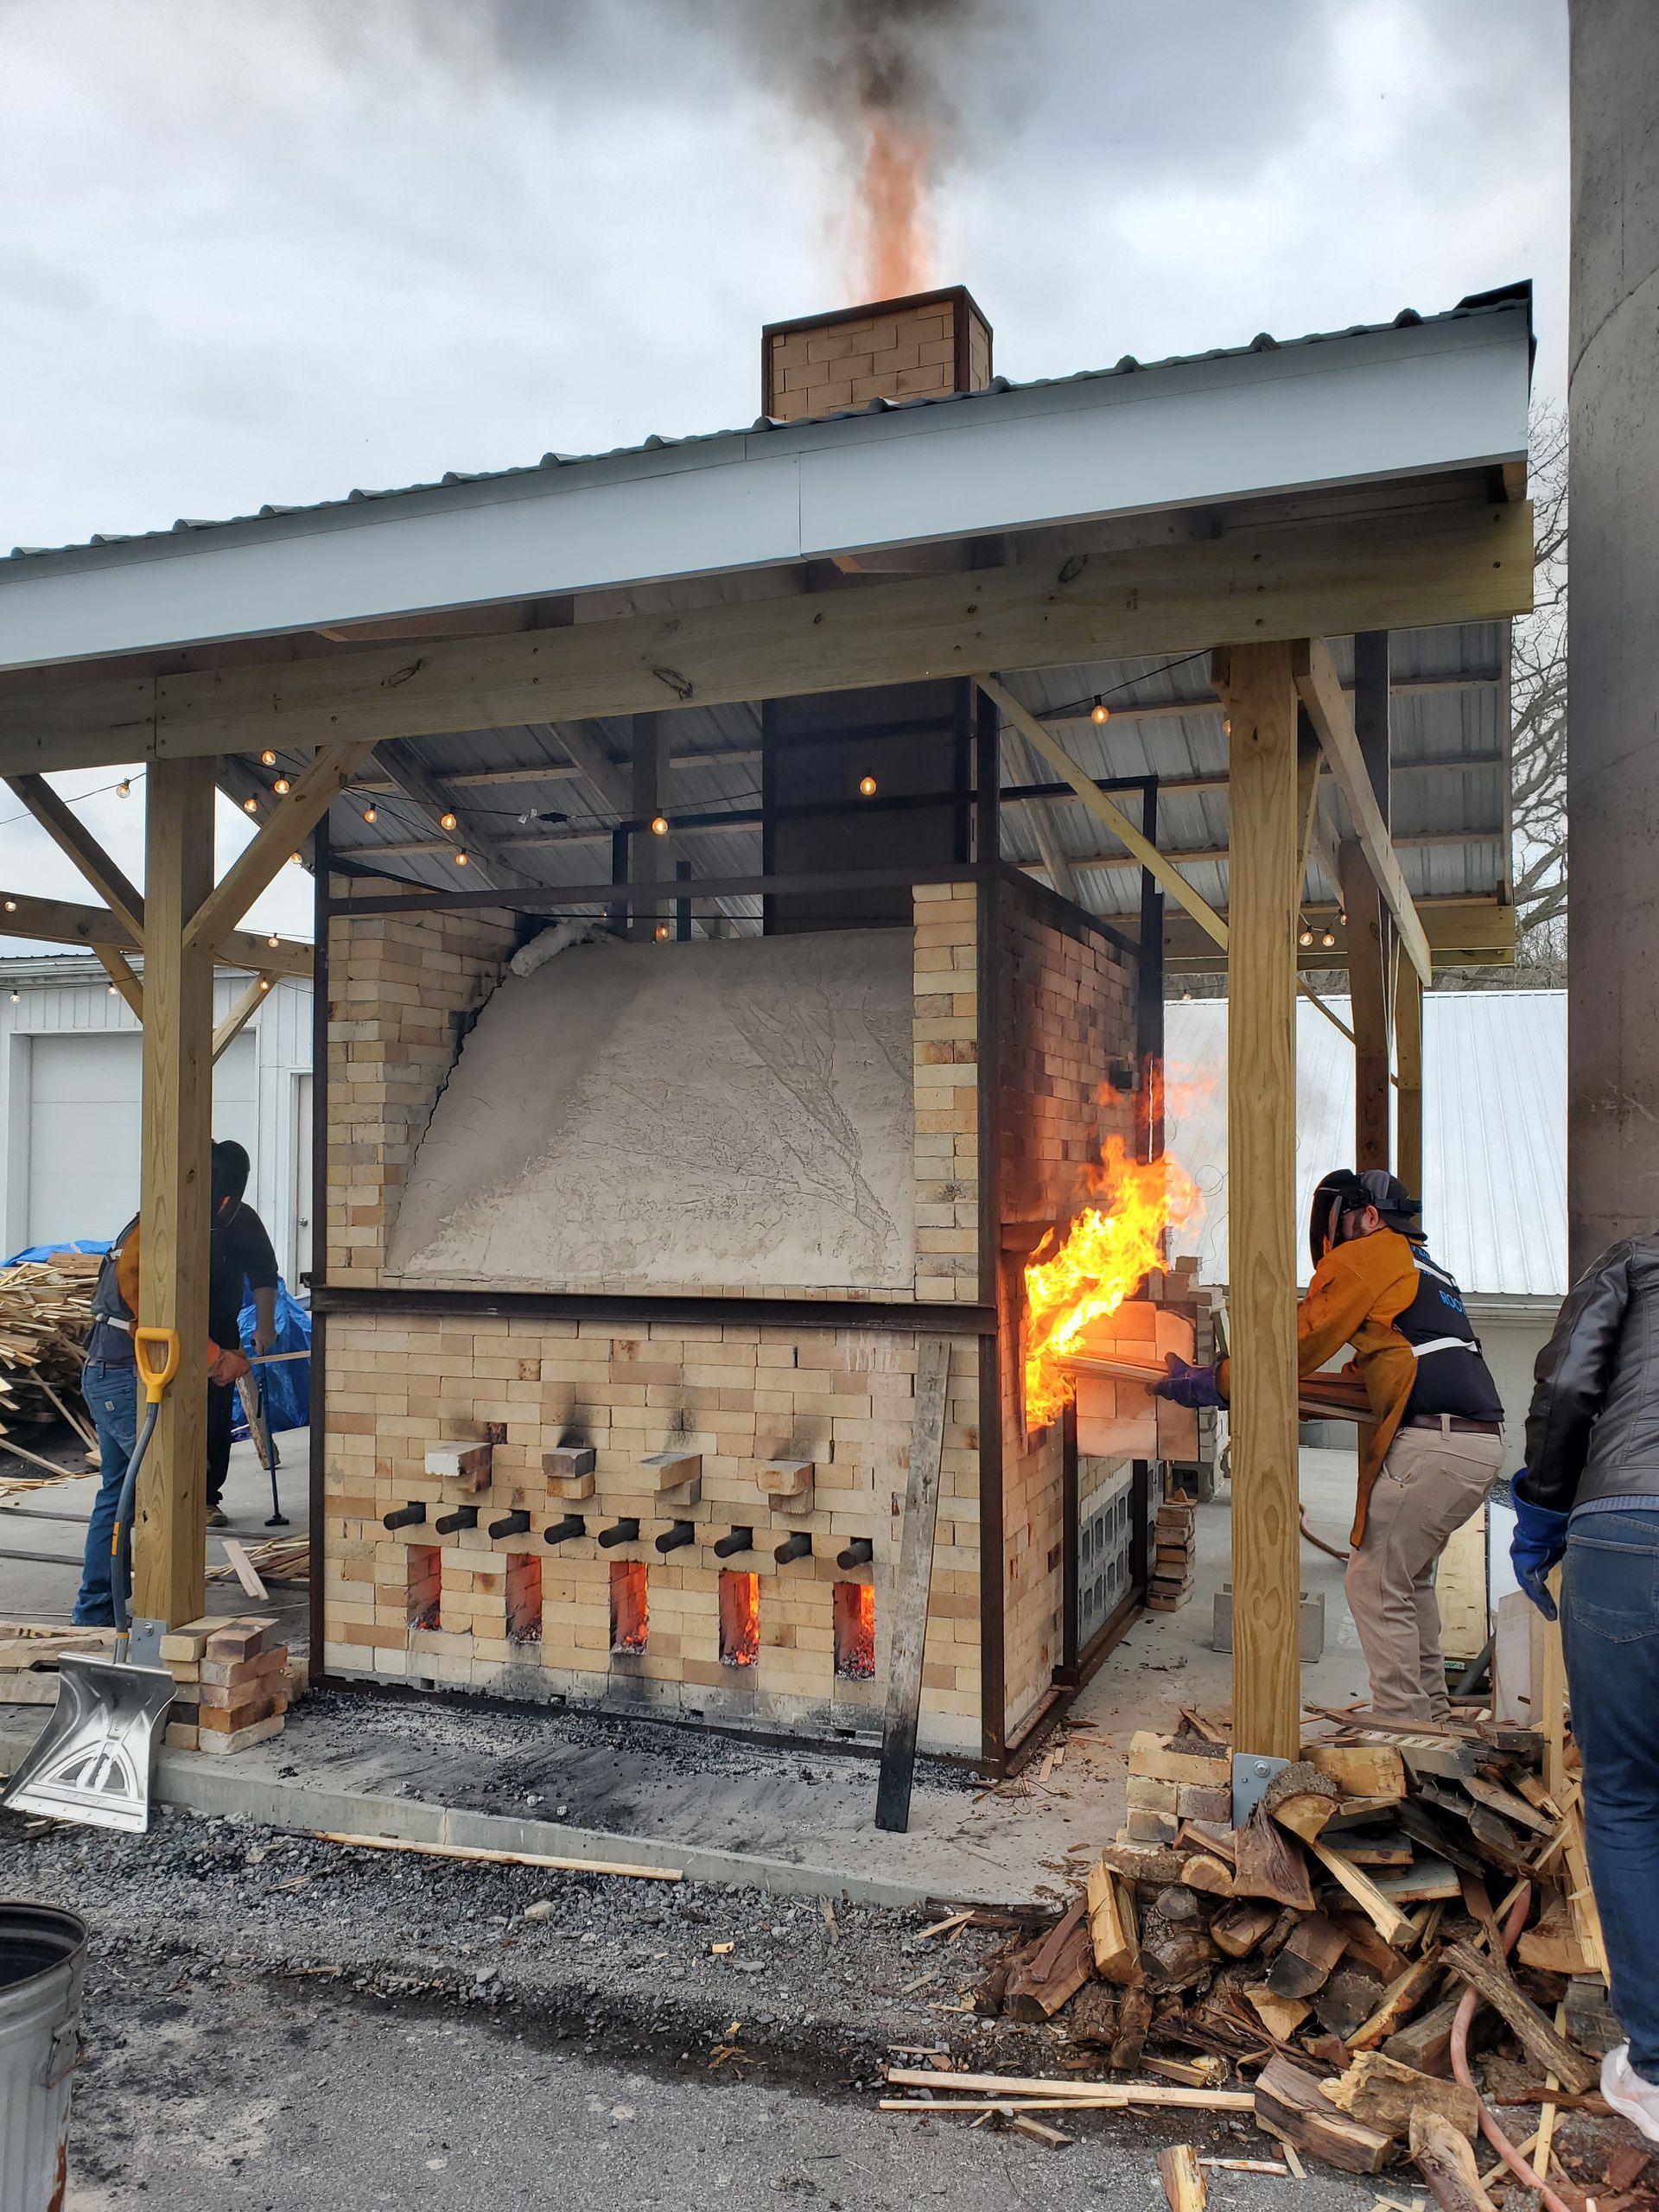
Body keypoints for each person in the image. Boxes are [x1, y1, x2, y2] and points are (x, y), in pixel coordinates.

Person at [1156, 1166, 1505, 1724]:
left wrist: (1216, 1381)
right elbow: (1369, 1371)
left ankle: (1404, 1731)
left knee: (1370, 1581)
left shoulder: (1370, 1254)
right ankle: (1433, 1718)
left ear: (1368, 1216)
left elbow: (1291, 1349)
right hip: (1478, 1446)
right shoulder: (1428, 1269)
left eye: (1337, 1229)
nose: (1333, 1250)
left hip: (1434, 1444)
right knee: (1407, 1581)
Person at [1510, 1233, 1659, 2141]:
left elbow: (1568, 1385)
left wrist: (1542, 1510)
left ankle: (1654, 2068)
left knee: (1627, 1797)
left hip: (1627, 1539)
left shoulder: (1638, 1261)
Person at [205, 1141, 279, 1529]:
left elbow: (264, 1274)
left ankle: (205, 1498)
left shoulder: (243, 1219)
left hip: (221, 1338)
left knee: (215, 1421)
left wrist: (265, 1327)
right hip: (167, 1339)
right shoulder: (172, 1211)